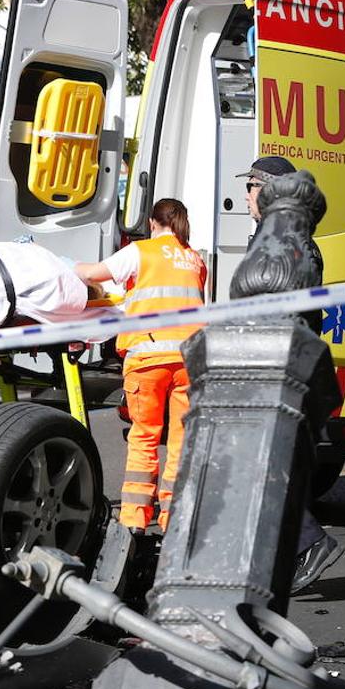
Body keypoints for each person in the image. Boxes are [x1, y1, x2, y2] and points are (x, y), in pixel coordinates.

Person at [238, 155, 342, 594]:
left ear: (266, 189)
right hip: (276, 365)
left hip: (279, 368)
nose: (245, 196)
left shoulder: (284, 242)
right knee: (263, 466)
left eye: (250, 186)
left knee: (262, 466)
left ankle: (309, 542)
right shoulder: (277, 238)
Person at [76, 199, 206, 533]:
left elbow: (93, 274)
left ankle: (135, 516)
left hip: (148, 357)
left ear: (152, 222)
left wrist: (64, 266)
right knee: (180, 441)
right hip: (190, 361)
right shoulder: (195, 258)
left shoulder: (141, 251)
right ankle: (173, 518)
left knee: (145, 437)